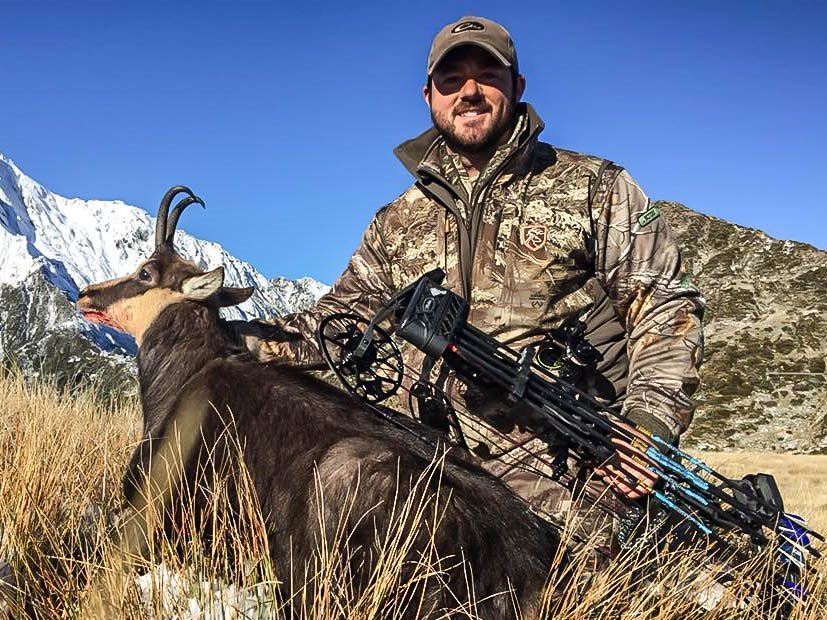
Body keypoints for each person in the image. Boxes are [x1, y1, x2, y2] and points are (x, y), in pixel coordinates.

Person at [240, 15, 704, 561]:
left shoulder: (594, 188)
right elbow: (340, 322)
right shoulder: (395, 221)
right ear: (429, 95)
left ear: (517, 86)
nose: (469, 91)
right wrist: (226, 336)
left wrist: (647, 425)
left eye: (487, 74)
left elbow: (666, 307)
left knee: (566, 588)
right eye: (451, 78)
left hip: (558, 479)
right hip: (422, 469)